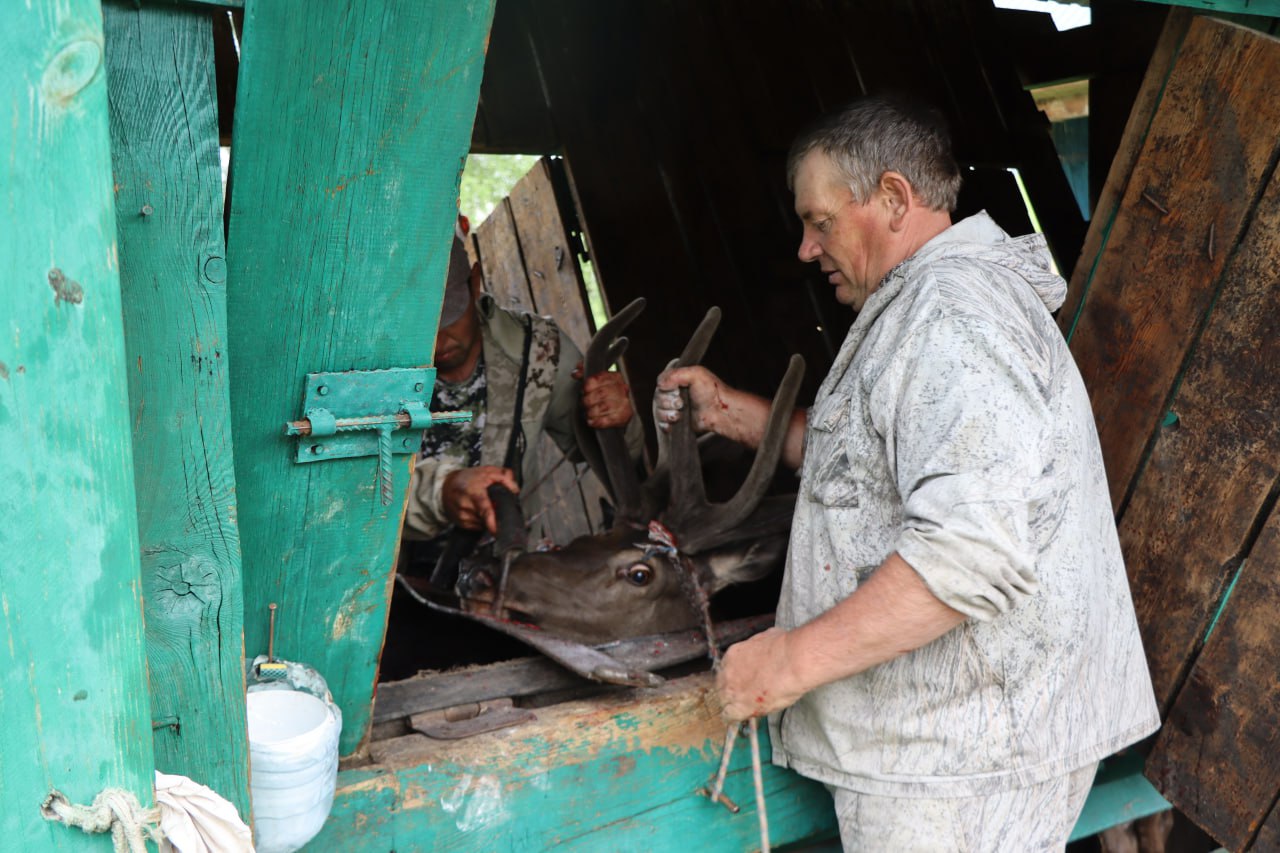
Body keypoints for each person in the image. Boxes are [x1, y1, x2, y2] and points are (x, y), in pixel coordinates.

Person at [656, 95, 1159, 850]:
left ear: (894, 197)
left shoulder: (954, 318)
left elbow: (969, 551)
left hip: (964, 763)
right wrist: (730, 411)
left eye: (819, 221)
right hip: (958, 746)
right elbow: (872, 468)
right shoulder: (929, 304)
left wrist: (792, 661)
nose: (804, 247)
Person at [382, 229, 641, 679]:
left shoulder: (540, 353)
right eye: (420, 321)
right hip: (387, 583)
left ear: (476, 282)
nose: (438, 336)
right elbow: (352, 482)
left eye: (450, 314)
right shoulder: (370, 365)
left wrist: (619, 420)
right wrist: (441, 493)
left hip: (506, 579)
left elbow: (601, 453)